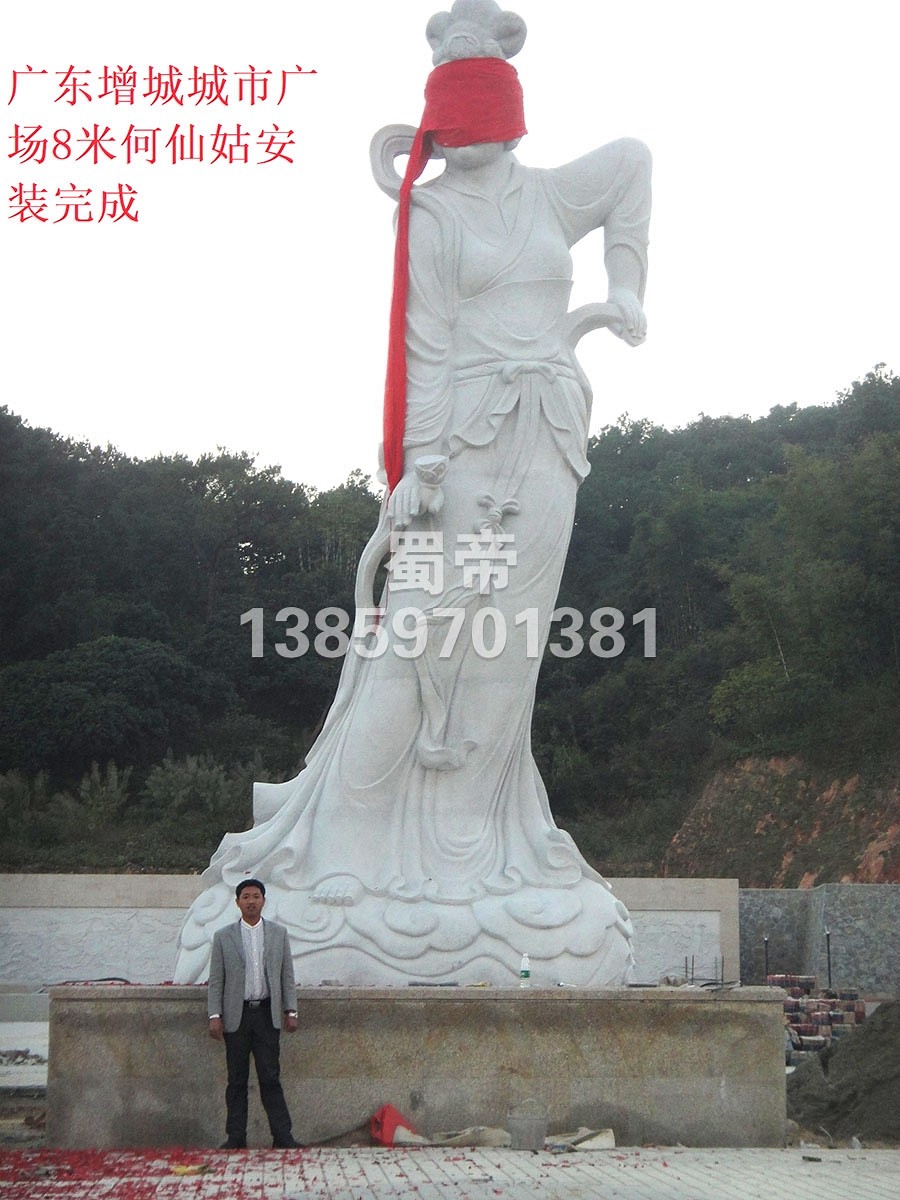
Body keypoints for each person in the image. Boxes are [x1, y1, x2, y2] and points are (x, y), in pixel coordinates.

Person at [175, 0, 650, 989]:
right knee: (416, 633)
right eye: (451, 123)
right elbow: (424, 344)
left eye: (480, 119)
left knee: (508, 650)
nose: (465, 142)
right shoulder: (430, 214)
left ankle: (477, 857)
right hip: (458, 452)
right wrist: (416, 467)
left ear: (507, 115)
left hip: (548, 438)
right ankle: (344, 850)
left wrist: (626, 286)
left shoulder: (550, 196)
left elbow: (633, 165)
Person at [207, 878, 300, 1149]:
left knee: (270, 1077)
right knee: (236, 1079)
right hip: (236, 1017)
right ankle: (236, 1138)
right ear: (237, 902)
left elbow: (287, 975)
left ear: (263, 900)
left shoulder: (278, 934)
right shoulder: (223, 936)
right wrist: (214, 1015)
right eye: (245, 897)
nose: (251, 901)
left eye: (256, 896)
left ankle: (282, 1137)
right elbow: (216, 980)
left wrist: (291, 1010)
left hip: (266, 1015)